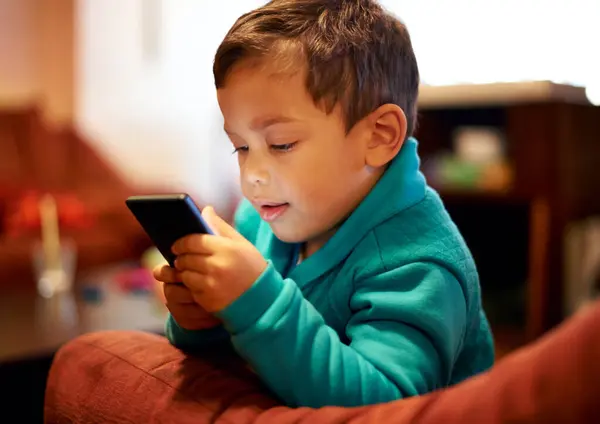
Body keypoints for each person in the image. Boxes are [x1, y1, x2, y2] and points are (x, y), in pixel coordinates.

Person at [154, 0, 494, 408]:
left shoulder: (418, 265)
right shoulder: (260, 219)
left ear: (378, 137)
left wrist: (256, 301)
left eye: (281, 144)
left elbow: (386, 406)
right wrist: (203, 319)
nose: (252, 175)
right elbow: (232, 350)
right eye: (241, 147)